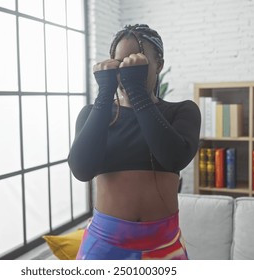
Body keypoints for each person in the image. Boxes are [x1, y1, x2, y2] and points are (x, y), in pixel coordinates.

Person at [68, 24, 201, 260]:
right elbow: (81, 169)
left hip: (163, 244)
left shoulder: (183, 111)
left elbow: (173, 158)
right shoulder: (93, 114)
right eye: (120, 63)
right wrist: (104, 94)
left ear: (158, 64)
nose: (126, 70)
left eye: (135, 61)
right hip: (104, 244)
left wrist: (137, 92)